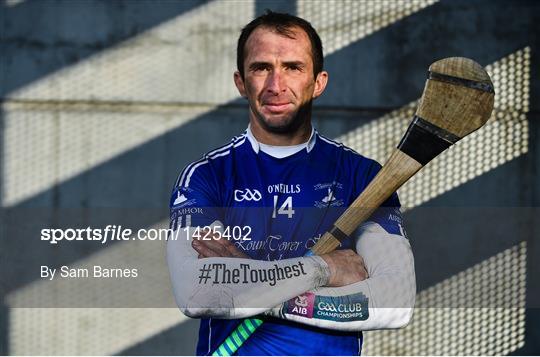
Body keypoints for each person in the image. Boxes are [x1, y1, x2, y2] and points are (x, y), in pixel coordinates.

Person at [167, 11, 415, 356]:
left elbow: (395, 302)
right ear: (241, 82)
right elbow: (196, 294)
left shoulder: (362, 177)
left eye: (293, 67)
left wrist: (247, 281)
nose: (275, 85)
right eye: (261, 67)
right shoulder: (206, 177)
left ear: (318, 82)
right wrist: (325, 268)